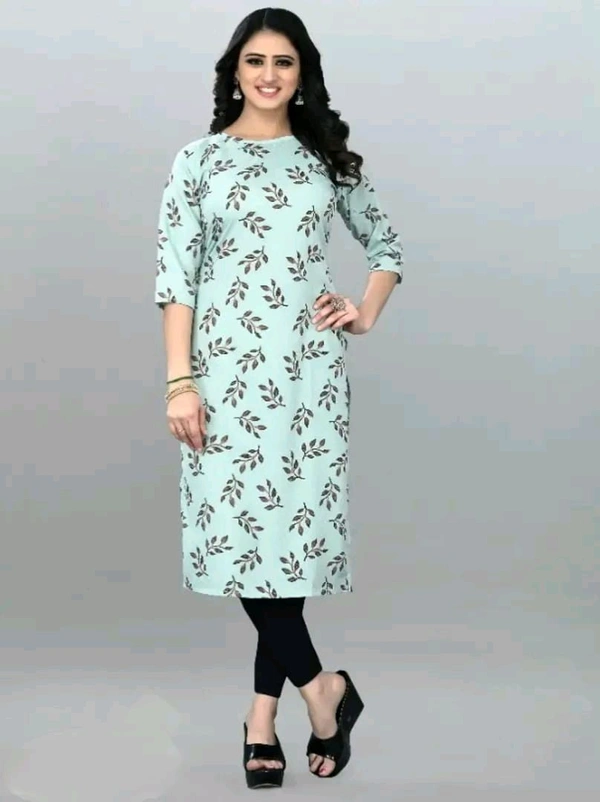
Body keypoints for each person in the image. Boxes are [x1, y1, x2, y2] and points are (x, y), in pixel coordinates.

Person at [154, 7, 404, 789]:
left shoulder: (324, 161)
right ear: (235, 71)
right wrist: (179, 382)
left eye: (284, 62)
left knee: (282, 549)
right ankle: (323, 692)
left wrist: (363, 310)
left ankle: (261, 721)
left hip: (306, 384)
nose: (269, 75)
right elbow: (176, 280)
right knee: (245, 547)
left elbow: (387, 245)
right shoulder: (199, 162)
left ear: (303, 75)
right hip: (222, 385)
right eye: (256, 60)